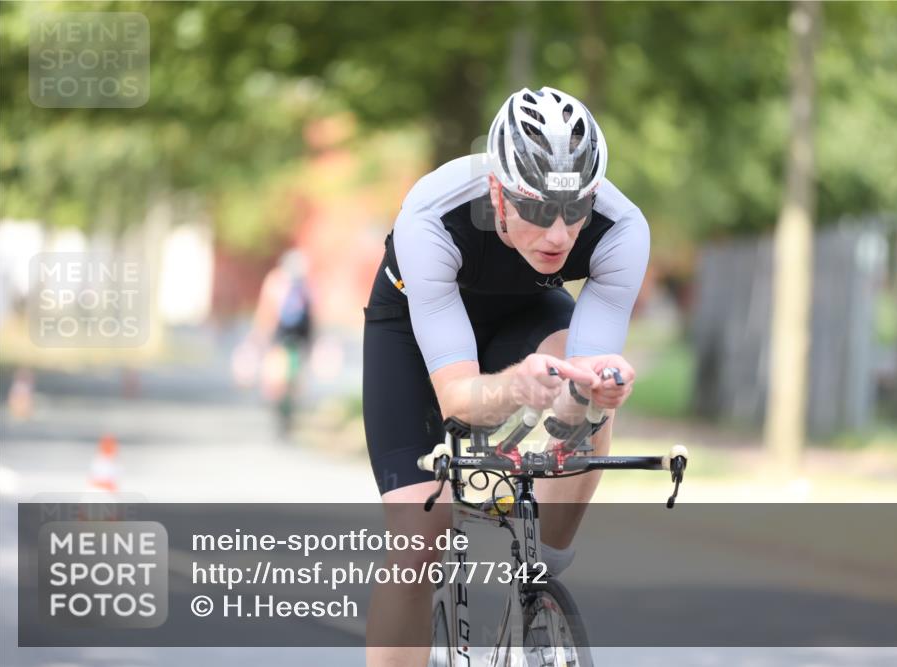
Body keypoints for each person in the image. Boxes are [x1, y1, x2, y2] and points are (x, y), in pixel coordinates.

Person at [362, 86, 649, 665]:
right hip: (416, 324)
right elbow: (459, 398)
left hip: (526, 312)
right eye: (539, 209)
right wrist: (518, 387)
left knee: (589, 387)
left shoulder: (622, 229)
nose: (559, 234)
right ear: (498, 190)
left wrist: (590, 397)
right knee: (420, 540)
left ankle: (540, 574)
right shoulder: (432, 216)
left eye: (575, 210)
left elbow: (584, 381)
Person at [233, 248, 314, 434]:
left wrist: (259, 334)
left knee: (279, 376)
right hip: (298, 337)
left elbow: (266, 311)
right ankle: (287, 411)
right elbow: (313, 315)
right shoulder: (305, 284)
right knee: (291, 376)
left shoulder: (276, 281)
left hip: (280, 336)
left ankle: (281, 408)